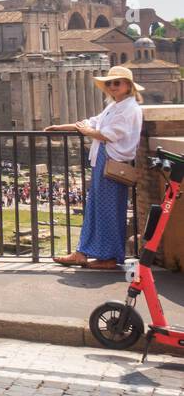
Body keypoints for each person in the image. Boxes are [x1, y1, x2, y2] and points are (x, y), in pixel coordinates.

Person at [48, 65, 144, 269]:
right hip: (104, 160)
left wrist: (88, 131)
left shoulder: (129, 108)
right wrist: (61, 127)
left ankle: (108, 258)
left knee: (108, 210)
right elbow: (92, 123)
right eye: (109, 83)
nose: (112, 86)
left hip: (112, 162)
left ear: (128, 86)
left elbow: (107, 134)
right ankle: (82, 252)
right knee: (95, 208)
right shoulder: (115, 106)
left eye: (117, 82)